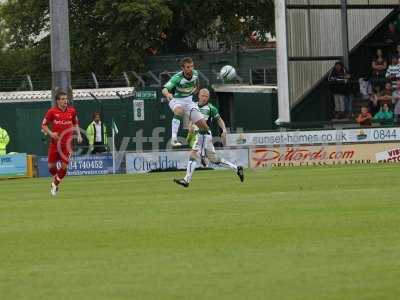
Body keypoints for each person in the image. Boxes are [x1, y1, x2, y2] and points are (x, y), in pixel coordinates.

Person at [174, 88, 244, 188]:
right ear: (198, 95)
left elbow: (219, 119)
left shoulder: (211, 108)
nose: (204, 98)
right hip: (200, 135)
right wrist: (190, 125)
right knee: (215, 159)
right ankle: (237, 168)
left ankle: (186, 180)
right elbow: (193, 118)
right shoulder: (193, 106)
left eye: (206, 96)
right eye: (203, 95)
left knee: (193, 155)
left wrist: (224, 130)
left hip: (204, 134)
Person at [41, 91, 83, 196]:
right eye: (63, 99)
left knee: (64, 167)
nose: (65, 101)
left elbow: (76, 122)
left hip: (67, 144)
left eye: (66, 99)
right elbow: (44, 125)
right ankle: (56, 179)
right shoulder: (52, 112)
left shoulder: (72, 111)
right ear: (58, 101)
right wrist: (51, 134)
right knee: (51, 167)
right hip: (55, 144)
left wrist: (79, 135)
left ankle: (54, 184)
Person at [162, 57, 210, 147]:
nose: (191, 68)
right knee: (179, 111)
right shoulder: (177, 78)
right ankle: (174, 139)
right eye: (188, 67)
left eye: (192, 66)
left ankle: (207, 148)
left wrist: (196, 89)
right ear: (182, 68)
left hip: (189, 102)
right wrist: (168, 95)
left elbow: (197, 84)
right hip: (176, 100)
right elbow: (164, 89)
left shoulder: (195, 74)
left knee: (205, 128)